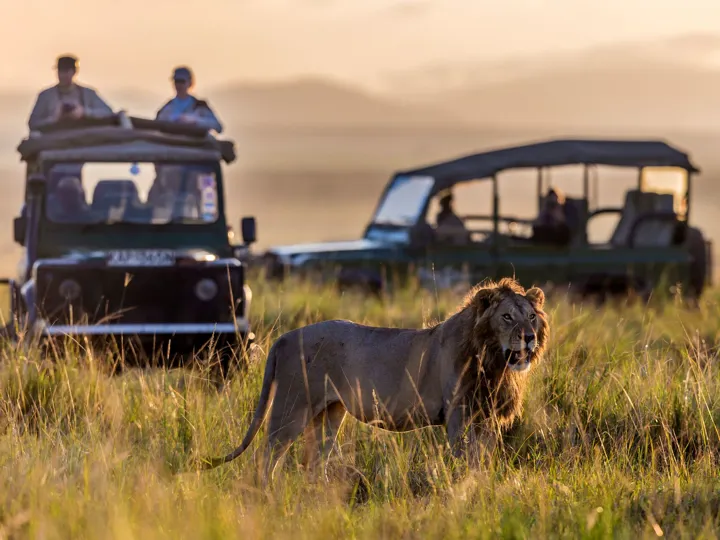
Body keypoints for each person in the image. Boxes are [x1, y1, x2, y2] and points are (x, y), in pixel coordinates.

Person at [28, 55, 114, 132]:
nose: (62, 75)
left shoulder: (88, 94)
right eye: (60, 71)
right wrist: (54, 118)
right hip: (55, 140)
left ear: (74, 72)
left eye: (66, 71)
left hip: (83, 140)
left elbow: (108, 113)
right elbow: (32, 123)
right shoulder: (46, 96)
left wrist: (84, 112)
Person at [155, 66, 223, 133]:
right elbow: (156, 126)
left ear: (190, 83)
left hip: (196, 142)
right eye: (176, 81)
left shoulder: (200, 106)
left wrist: (196, 121)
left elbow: (218, 127)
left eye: (182, 81)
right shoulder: (167, 108)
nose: (179, 85)